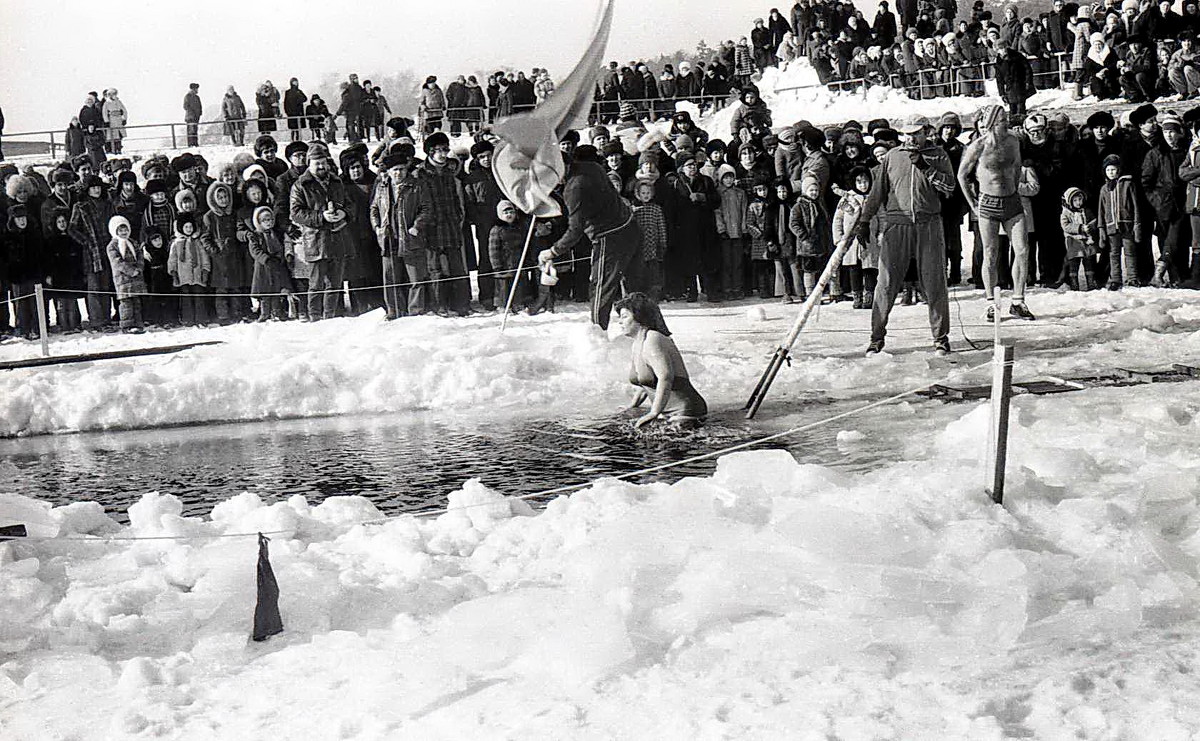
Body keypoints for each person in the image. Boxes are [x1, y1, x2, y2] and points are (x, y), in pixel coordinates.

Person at [857, 116, 955, 356]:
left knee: (934, 282)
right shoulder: (892, 156)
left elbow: (950, 188)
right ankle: (876, 338)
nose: (910, 138)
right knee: (886, 283)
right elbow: (877, 192)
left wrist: (925, 167)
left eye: (916, 133)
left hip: (928, 223)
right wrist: (864, 220)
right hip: (897, 225)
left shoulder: (938, 154)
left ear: (926, 132)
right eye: (907, 134)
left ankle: (940, 338)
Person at [538, 146, 646, 329]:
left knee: (601, 287)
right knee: (634, 286)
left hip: (609, 236)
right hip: (630, 226)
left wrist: (553, 251)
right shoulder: (591, 167)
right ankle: (645, 328)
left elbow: (575, 229)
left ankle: (597, 334)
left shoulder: (574, 187)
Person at [957, 105, 1036, 322]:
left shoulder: (1013, 141)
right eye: (1002, 120)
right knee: (990, 253)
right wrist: (973, 203)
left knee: (1022, 250)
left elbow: (1018, 167)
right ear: (992, 122)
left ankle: (1018, 301)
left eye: (1006, 119)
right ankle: (991, 302)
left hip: (1011, 201)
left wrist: (1013, 188)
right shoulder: (978, 146)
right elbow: (962, 175)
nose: (1006, 122)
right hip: (988, 203)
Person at [615, 292, 707, 429]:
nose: (619, 322)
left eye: (624, 317)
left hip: (685, 411)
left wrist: (654, 412)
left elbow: (665, 376)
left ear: (640, 318)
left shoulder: (653, 339)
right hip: (665, 413)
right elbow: (646, 384)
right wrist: (632, 407)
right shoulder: (637, 343)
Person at [290, 142, 351, 320]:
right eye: (317, 163)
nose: (321, 166)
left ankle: (329, 316)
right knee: (315, 284)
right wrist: (321, 217)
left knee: (335, 284)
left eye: (323, 162)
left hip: (338, 238)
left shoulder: (336, 181)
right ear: (309, 163)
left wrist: (343, 213)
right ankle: (315, 318)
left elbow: (350, 205)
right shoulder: (300, 185)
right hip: (316, 241)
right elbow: (296, 213)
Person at [370, 149, 432, 319]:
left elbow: (426, 208)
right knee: (390, 278)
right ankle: (394, 310)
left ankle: (415, 311)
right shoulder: (382, 187)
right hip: (389, 239)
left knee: (416, 278)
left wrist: (416, 226)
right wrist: (377, 227)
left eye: (401, 169)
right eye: (395, 170)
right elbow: (374, 208)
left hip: (410, 238)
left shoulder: (417, 186)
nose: (398, 173)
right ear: (388, 172)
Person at [167, 213, 210, 326]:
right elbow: (172, 259)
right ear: (181, 228)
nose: (189, 229)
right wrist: (173, 273)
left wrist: (205, 270)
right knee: (186, 298)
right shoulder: (176, 243)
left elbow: (204, 257)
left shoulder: (197, 242)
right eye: (186, 227)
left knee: (199, 296)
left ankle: (201, 318)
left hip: (197, 275)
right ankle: (187, 319)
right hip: (183, 276)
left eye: (190, 227)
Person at [105, 215, 145, 332]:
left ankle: (138, 323)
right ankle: (127, 325)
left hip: (136, 277)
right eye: (121, 230)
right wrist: (130, 271)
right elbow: (117, 262)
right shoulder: (112, 245)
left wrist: (139, 268)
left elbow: (140, 256)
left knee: (136, 301)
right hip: (123, 279)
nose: (124, 232)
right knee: (126, 303)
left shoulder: (133, 242)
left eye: (126, 229)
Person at [102, 89, 128, 155]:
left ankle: (119, 149)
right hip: (112, 121)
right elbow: (104, 113)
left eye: (113, 94)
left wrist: (124, 119)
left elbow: (124, 110)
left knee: (119, 136)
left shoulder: (119, 102)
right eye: (110, 94)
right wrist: (106, 121)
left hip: (119, 120)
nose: (112, 95)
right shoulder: (107, 103)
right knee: (112, 136)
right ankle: (112, 151)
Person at [183, 83, 202, 147]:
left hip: (196, 117)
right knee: (191, 131)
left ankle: (195, 143)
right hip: (190, 117)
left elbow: (199, 106)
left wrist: (199, 113)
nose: (197, 90)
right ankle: (191, 144)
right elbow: (185, 106)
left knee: (195, 130)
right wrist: (192, 113)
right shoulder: (187, 96)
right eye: (196, 89)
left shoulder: (197, 97)